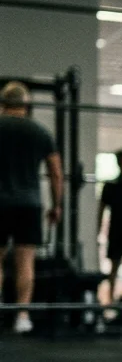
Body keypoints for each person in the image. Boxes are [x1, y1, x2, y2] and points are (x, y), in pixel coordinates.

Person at [0, 81, 63, 334]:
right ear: (26, 105)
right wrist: (57, 205)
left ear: (3, 104)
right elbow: (56, 173)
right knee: (25, 262)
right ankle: (21, 316)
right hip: (29, 204)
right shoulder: (40, 131)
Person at [98, 150, 122, 301]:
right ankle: (111, 300)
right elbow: (101, 210)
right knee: (114, 266)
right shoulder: (111, 186)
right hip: (117, 229)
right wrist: (99, 232)